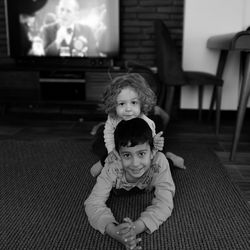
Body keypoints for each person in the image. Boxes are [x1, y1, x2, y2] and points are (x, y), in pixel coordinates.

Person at [85, 118, 175, 249]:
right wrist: (115, 231)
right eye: (127, 155)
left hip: (152, 172)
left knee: (169, 165)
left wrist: (136, 227)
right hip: (122, 184)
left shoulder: (158, 161)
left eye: (141, 153)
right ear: (117, 154)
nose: (135, 163)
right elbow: (93, 203)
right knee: (98, 145)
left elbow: (165, 202)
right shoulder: (112, 166)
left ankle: (172, 158)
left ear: (152, 151)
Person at [91, 73, 185, 177]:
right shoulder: (113, 118)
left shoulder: (147, 123)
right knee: (98, 146)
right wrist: (111, 151)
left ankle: (169, 157)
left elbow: (151, 146)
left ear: (141, 103)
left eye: (133, 103)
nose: (128, 109)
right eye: (122, 104)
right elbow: (108, 134)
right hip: (122, 143)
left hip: (142, 144)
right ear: (114, 104)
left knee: (158, 161)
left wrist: (153, 149)